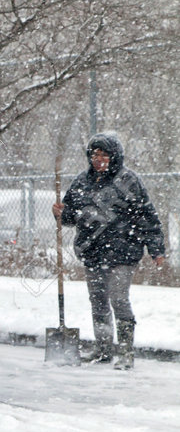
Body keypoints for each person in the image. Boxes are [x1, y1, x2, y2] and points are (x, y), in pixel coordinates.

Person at [52, 133, 166, 369]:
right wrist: (60, 214)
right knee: (98, 301)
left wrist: (156, 249)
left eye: (104, 155)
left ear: (115, 157)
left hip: (123, 251)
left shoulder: (129, 181)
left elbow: (148, 217)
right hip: (93, 251)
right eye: (95, 154)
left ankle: (125, 353)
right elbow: (71, 215)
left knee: (118, 298)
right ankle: (103, 350)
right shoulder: (82, 182)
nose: (99, 159)